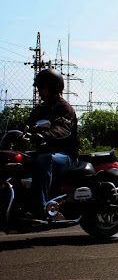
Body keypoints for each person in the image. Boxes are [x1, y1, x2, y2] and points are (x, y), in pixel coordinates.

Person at [20, 68, 79, 219]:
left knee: (45, 159)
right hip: (45, 153)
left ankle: (39, 207)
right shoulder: (40, 109)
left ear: (53, 88)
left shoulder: (65, 109)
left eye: (42, 87)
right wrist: (13, 133)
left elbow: (62, 129)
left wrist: (43, 135)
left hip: (66, 157)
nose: (39, 91)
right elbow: (26, 125)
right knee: (19, 158)